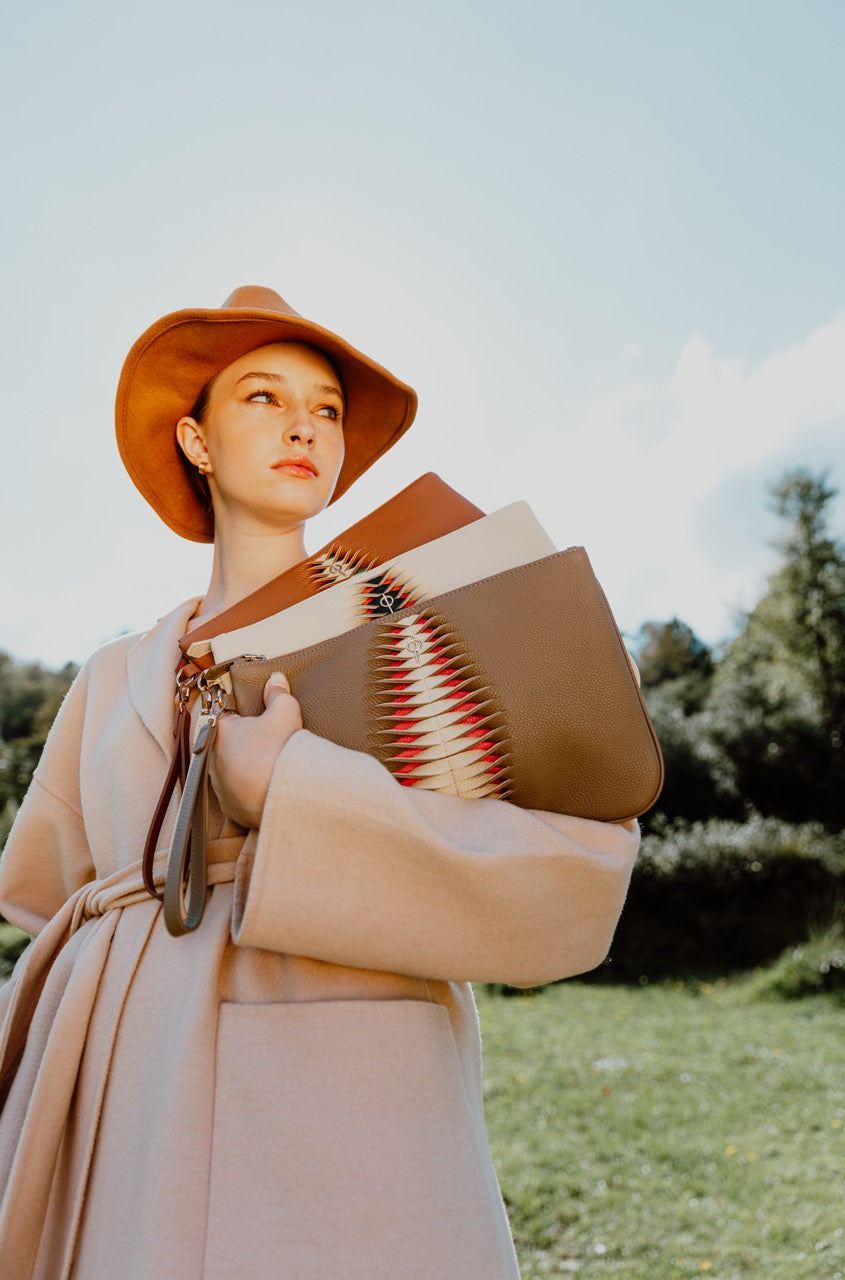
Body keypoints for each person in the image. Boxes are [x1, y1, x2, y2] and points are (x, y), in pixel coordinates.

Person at [0, 286, 641, 1279]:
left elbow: (578, 861)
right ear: (197, 440)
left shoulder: (422, 627)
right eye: (262, 396)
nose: (305, 422)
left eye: (327, 407)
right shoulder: (110, 672)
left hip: (349, 1084)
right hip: (127, 1094)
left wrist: (296, 793)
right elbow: (49, 894)